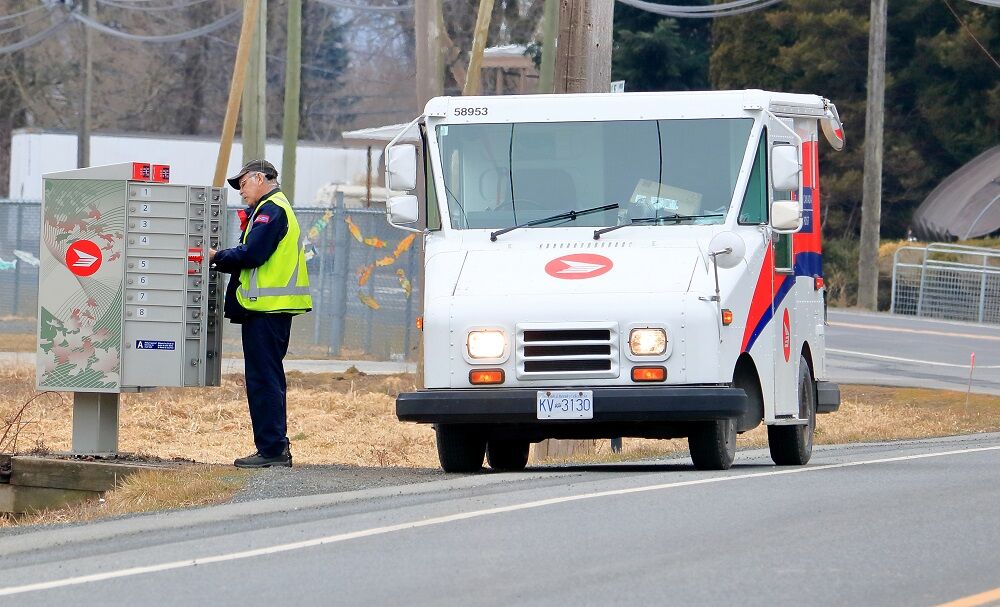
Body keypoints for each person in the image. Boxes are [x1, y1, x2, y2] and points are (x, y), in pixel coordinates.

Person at [210, 160, 312, 468]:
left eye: (242, 184)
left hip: (266, 309)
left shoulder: (271, 210)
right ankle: (274, 447)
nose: (241, 192)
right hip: (268, 309)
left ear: (259, 178)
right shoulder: (271, 208)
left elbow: (253, 254)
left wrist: (216, 257)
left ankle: (271, 451)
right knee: (267, 378)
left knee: (263, 379)